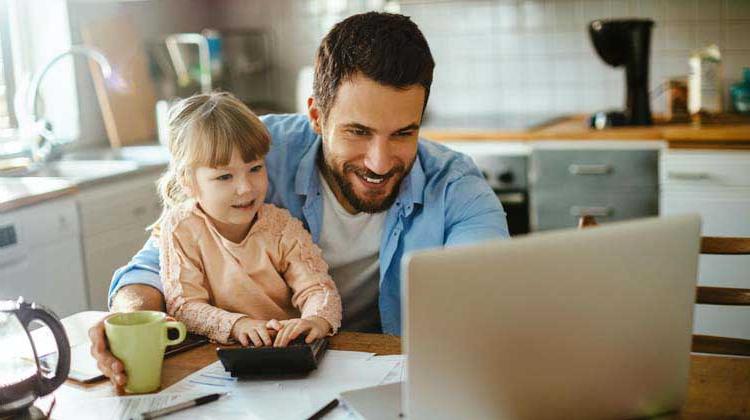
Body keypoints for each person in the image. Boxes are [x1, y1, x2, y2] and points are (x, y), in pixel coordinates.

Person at [90, 11, 508, 387]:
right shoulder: (253, 158)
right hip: (267, 378)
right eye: (358, 132)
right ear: (315, 115)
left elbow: (489, 290)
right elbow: (153, 265)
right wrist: (127, 318)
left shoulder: (455, 185)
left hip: (395, 378)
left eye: (403, 133)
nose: (380, 163)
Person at [154, 92, 341, 348]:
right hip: (221, 356)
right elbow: (184, 305)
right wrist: (238, 325)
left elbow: (319, 289)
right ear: (188, 181)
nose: (245, 188)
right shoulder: (180, 228)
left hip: (288, 351)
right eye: (224, 177)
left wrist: (315, 320)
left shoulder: (281, 227)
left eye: (255, 169)